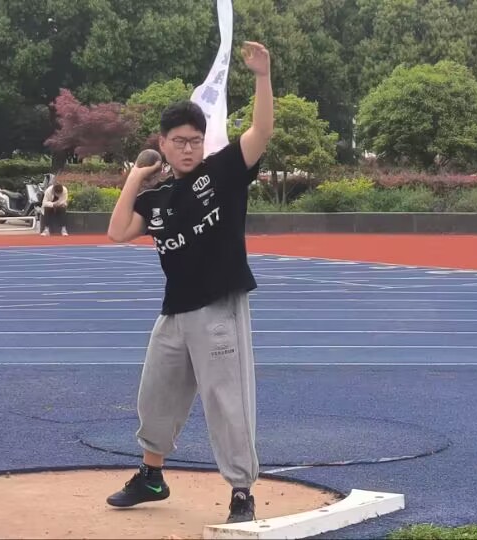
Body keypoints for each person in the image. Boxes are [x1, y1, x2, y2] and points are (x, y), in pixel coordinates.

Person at [104, 41, 273, 524]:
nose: (187, 148)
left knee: (226, 401)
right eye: (178, 141)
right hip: (175, 310)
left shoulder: (222, 172)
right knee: (155, 396)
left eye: (194, 140)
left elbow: (261, 131)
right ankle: (151, 476)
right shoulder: (157, 198)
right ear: (162, 143)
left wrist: (262, 77)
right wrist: (135, 178)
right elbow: (117, 232)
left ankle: (241, 491)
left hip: (218, 305)